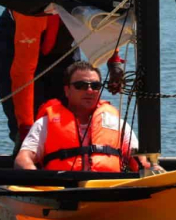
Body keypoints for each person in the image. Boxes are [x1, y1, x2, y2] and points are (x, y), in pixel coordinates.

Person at [14, 60, 157, 172]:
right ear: (67, 90)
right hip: (61, 192)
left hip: (109, 192)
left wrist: (153, 169)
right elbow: (23, 159)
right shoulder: (45, 124)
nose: (89, 91)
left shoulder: (118, 124)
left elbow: (141, 159)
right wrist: (40, 182)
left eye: (95, 86)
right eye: (81, 85)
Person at [0, 8, 79, 147]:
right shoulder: (31, 9)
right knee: (29, 126)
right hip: (16, 44)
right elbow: (23, 72)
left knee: (70, 115)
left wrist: (114, 61)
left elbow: (111, 25)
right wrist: (25, 129)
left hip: (62, 45)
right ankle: (25, 154)